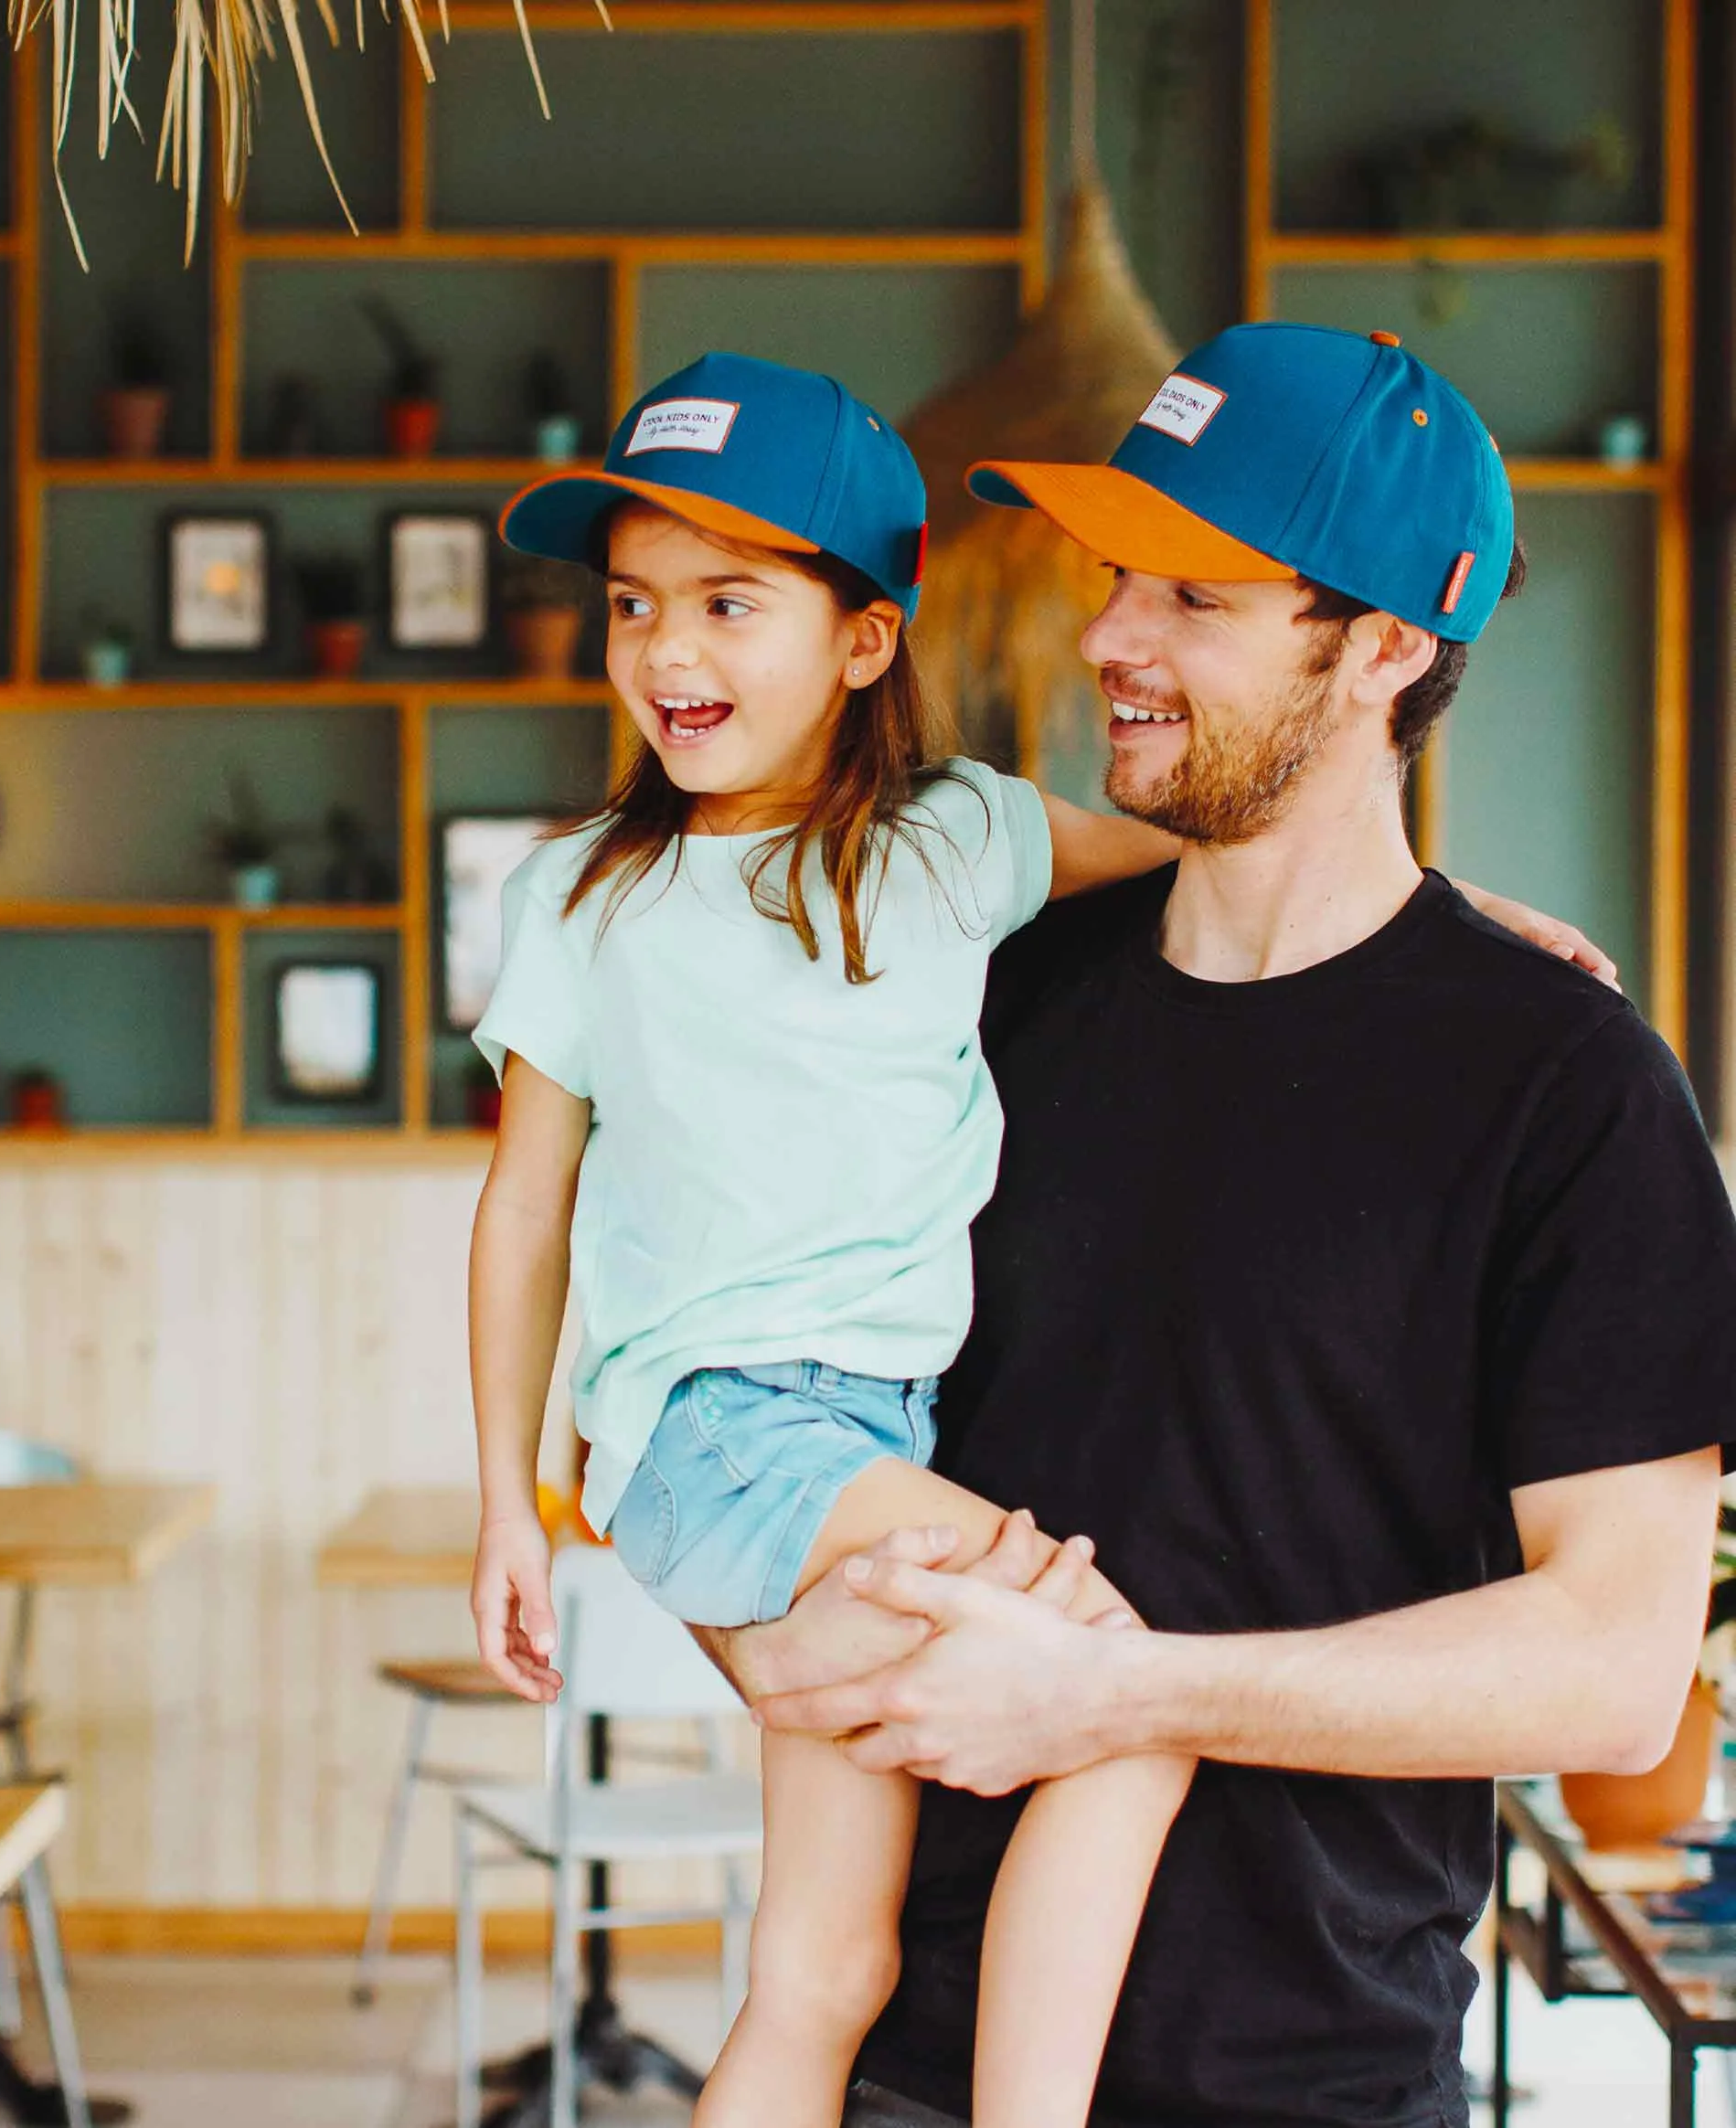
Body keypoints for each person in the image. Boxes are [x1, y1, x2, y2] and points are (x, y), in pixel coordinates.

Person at [466, 348, 1622, 2128]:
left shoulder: (1559, 1081)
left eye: (1191, 594)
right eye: (1109, 576)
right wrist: (704, 1602)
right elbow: (712, 1360)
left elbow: (1614, 1678)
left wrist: (1114, 1689)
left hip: (1316, 2076)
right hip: (899, 2055)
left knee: (938, 1857)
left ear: (1385, 643)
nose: (1102, 639)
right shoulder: (969, 976)